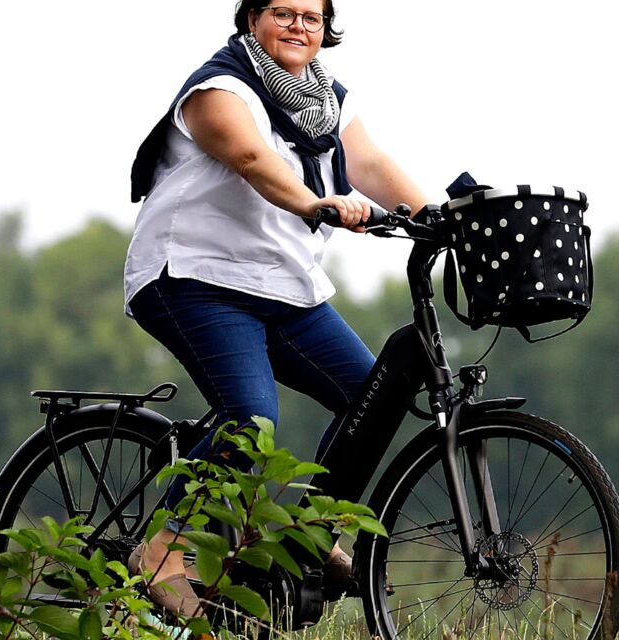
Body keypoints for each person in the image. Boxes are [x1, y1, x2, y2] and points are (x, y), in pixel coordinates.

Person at [123, 0, 429, 617]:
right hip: (194, 276)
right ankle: (165, 548)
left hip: (283, 287)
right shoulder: (218, 89)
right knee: (253, 418)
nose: (298, 25)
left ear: (326, 30)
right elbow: (251, 159)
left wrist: (437, 221)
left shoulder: (324, 100)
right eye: (282, 12)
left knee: (371, 398)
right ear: (251, 20)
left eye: (311, 17)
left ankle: (309, 532)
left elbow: (368, 162)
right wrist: (319, 203)